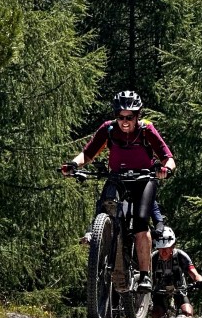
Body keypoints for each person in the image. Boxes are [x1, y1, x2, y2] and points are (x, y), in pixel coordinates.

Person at [62, 89, 176, 292]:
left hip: (144, 179)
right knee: (105, 204)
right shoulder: (108, 129)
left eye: (129, 117)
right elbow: (88, 154)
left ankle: (145, 276)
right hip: (118, 177)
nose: (124, 121)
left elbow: (168, 157)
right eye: (120, 116)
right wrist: (73, 164)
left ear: (137, 115)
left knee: (141, 222)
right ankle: (98, 234)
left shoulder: (146, 129)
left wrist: (166, 169)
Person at [150, 226, 202, 318]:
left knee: (187, 312)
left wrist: (199, 281)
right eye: (161, 248)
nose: (163, 251)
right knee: (157, 314)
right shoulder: (153, 258)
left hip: (180, 290)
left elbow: (193, 272)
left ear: (173, 246)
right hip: (159, 292)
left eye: (167, 248)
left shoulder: (181, 256)